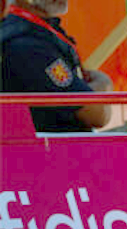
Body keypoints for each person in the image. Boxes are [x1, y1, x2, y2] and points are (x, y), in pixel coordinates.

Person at [0, 0, 113, 132]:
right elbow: (97, 116)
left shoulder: (35, 28)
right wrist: (104, 84)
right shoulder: (28, 44)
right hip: (51, 149)